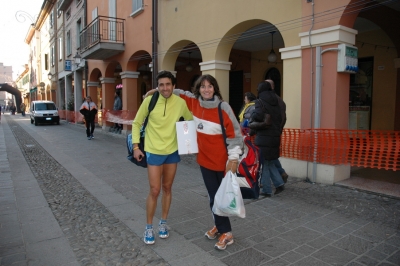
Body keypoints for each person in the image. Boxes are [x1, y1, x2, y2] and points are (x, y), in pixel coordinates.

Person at [147, 74, 243, 250]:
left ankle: (227, 232)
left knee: (220, 197)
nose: (206, 90)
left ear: (215, 89)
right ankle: (220, 225)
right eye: (203, 87)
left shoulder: (223, 108)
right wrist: (156, 90)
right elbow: (178, 92)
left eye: (210, 86)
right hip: (205, 161)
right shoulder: (194, 103)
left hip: (223, 162)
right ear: (198, 89)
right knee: (213, 196)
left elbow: (235, 135)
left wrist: (234, 158)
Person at [132, 71, 193, 245]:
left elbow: (189, 120)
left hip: (172, 151)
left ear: (173, 86)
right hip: (153, 150)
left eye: (168, 84)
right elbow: (137, 123)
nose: (165, 88)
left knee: (167, 188)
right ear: (157, 86)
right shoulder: (149, 101)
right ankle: (148, 227)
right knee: (155, 190)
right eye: (161, 85)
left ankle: (163, 223)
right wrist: (136, 147)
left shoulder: (180, 103)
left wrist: (188, 143)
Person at [249, 81, 285, 197]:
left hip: (264, 137)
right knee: (269, 162)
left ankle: (266, 189)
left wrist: (253, 116)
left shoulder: (260, 101)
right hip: (275, 136)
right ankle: (279, 184)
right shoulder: (278, 101)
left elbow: (258, 115)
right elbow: (282, 118)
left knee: (262, 164)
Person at [265, 79, 288, 183]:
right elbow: (283, 118)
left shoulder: (271, 101)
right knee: (271, 157)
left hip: (269, 133)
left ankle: (268, 183)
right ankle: (280, 174)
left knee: (267, 158)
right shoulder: (279, 100)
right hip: (275, 132)